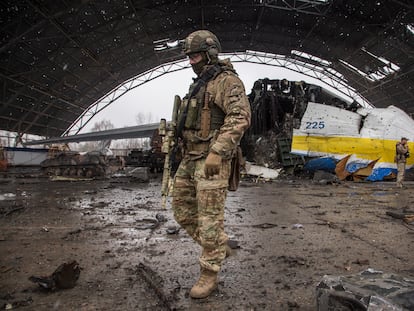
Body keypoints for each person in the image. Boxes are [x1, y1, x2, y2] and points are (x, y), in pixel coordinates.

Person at [171, 30, 251, 299]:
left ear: (210, 53)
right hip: (190, 157)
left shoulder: (227, 82)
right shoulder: (198, 86)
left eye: (194, 55)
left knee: (209, 221)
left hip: (211, 160)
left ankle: (209, 272)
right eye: (189, 57)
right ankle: (218, 245)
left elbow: (239, 117)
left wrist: (218, 152)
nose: (191, 61)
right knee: (181, 211)